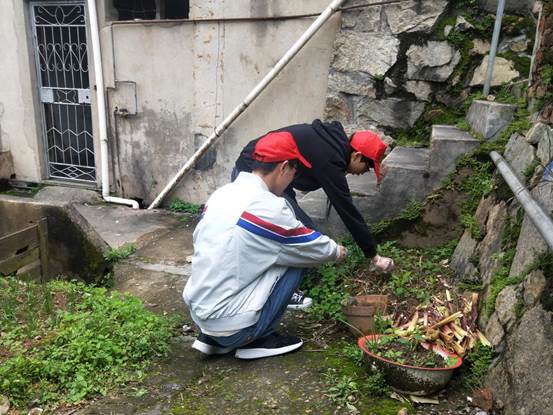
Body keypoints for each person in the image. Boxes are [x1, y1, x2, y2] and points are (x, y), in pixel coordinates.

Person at [183, 131, 348, 360]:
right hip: (233, 327)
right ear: (284, 167)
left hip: (202, 314)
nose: (293, 179)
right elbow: (312, 248)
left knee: (262, 252)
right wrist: (337, 251)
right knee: (298, 258)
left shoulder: (222, 194)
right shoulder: (268, 206)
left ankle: (213, 338)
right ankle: (259, 338)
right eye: (294, 172)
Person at [233, 119, 395, 308]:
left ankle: (279, 287)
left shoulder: (332, 146)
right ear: (357, 156)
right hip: (255, 171)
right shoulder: (331, 158)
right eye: (367, 167)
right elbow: (347, 209)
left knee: (300, 231)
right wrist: (373, 255)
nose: (364, 172)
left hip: (273, 176)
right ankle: (282, 294)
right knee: (300, 235)